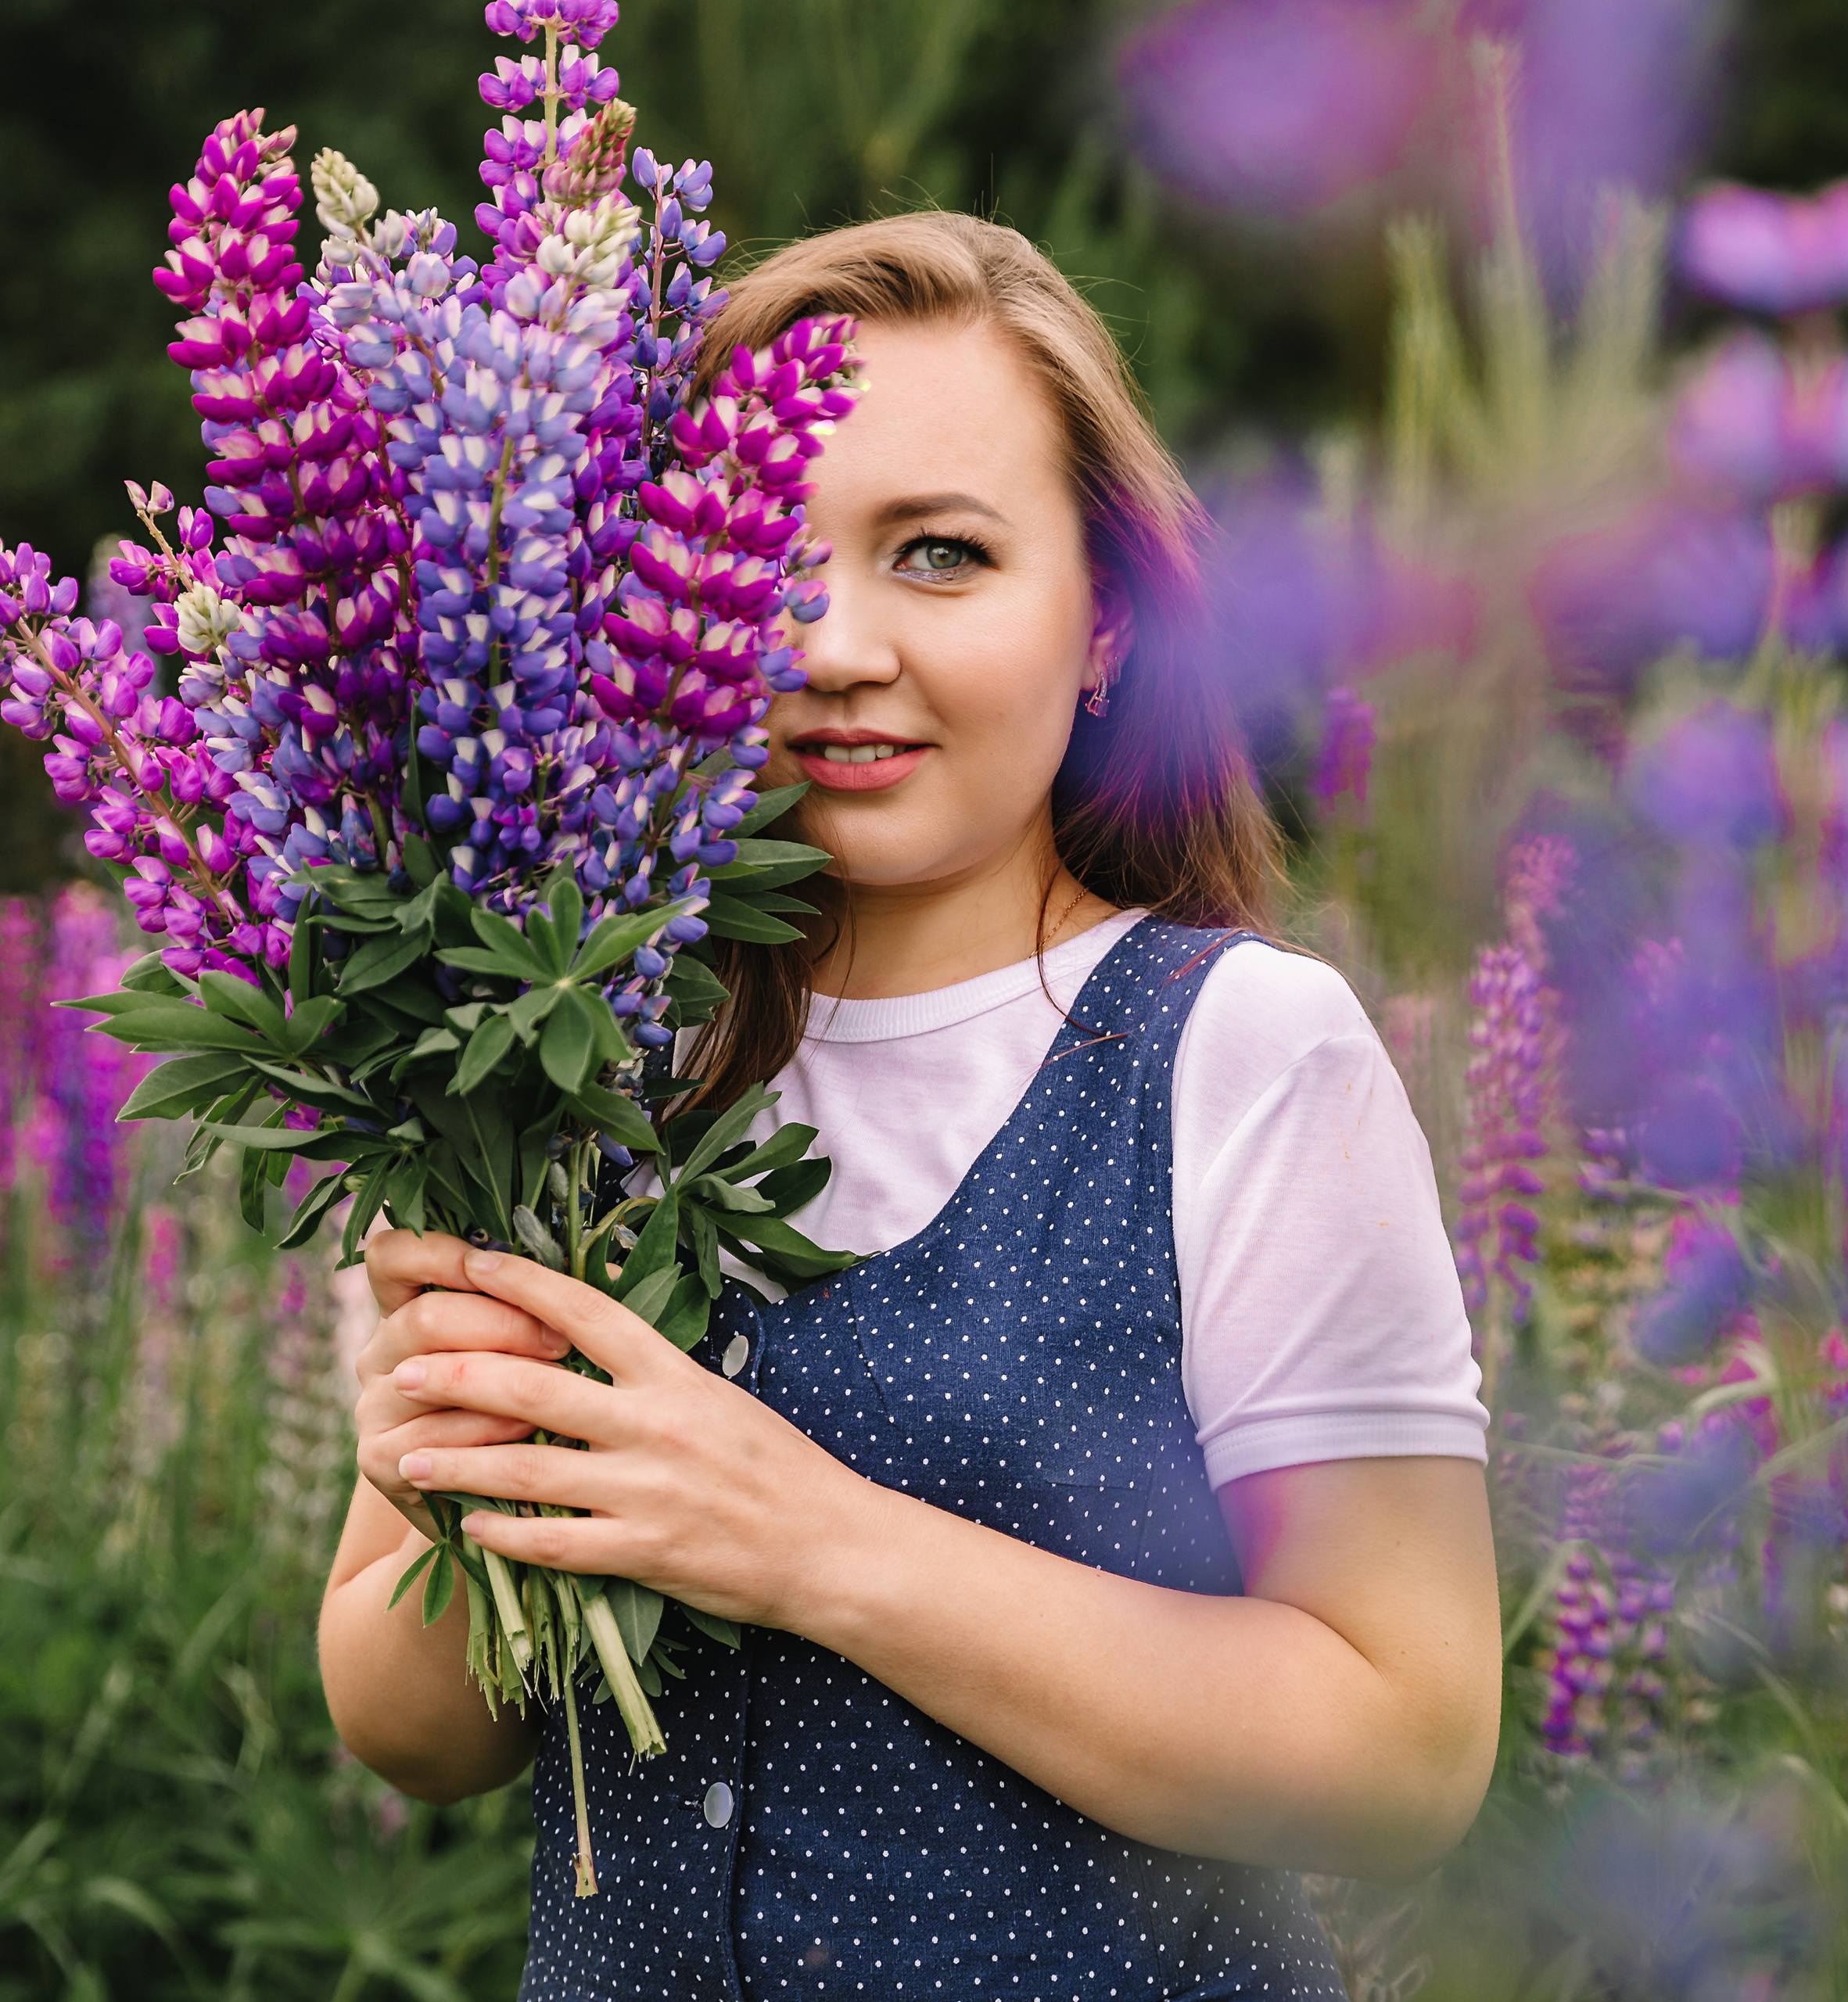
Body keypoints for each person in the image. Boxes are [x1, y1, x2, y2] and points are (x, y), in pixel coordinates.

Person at [320, 210, 1499, 2000]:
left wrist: (806, 1540)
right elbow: (414, 1727)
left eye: (938, 554)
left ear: (1102, 623)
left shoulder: (1241, 1048)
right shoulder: (555, 1051)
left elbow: (1401, 1749)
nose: (831, 642)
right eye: (751, 552)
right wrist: (430, 1466)